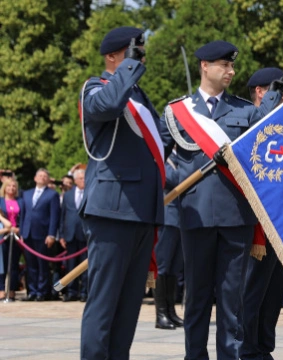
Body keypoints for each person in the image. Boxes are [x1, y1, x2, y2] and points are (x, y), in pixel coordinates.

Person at [160, 45, 282, 360]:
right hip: (196, 215)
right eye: (224, 65)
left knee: (233, 301)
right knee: (197, 298)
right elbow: (156, 161)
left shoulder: (246, 110)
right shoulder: (178, 111)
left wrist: (272, 101)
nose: (230, 71)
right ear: (205, 66)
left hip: (236, 218)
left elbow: (264, 145)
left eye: (232, 66)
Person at [79, 26, 166, 359]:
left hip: (143, 211)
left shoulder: (140, 97)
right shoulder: (95, 87)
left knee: (128, 312)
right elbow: (107, 106)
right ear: (112, 56)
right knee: (103, 308)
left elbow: (157, 150)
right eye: (134, 53)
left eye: (140, 54)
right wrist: (127, 69)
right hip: (111, 212)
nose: (140, 59)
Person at [239, 67, 283, 360]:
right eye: (278, 87)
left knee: (274, 291)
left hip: (281, 221)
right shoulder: (248, 120)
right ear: (261, 91)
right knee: (252, 289)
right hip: (256, 223)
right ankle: (245, 348)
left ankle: (262, 346)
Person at [19, 168, 60, 301]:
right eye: (40, 176)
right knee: (30, 265)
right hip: (28, 234)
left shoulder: (52, 195)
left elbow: (54, 216)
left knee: (42, 265)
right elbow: (23, 214)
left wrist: (51, 234)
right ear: (35, 178)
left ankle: (42, 292)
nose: (42, 178)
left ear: (48, 180)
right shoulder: (26, 194)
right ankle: (32, 291)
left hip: (43, 234)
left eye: (45, 176)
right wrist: (22, 232)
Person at [154, 153, 184, 330]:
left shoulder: (180, 159)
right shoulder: (164, 157)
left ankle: (171, 311)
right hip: (167, 217)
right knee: (163, 267)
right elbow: (171, 178)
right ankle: (161, 314)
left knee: (174, 268)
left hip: (180, 219)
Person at [58, 169, 88, 302]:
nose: (83, 181)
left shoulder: (90, 193)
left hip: (85, 235)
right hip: (70, 235)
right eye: (80, 178)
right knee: (71, 265)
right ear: (75, 180)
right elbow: (62, 215)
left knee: (85, 266)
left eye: (84, 178)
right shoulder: (68, 195)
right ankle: (71, 291)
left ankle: (85, 292)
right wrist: (61, 235)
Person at [0, 179, 22, 300]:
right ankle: (2, 289)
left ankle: (12, 290)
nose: (12, 188)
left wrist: (19, 229)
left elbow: (24, 217)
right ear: (4, 187)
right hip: (3, 235)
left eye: (14, 186)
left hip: (16, 235)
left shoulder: (20, 201)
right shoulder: (0, 201)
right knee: (1, 264)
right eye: (9, 185)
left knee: (14, 264)